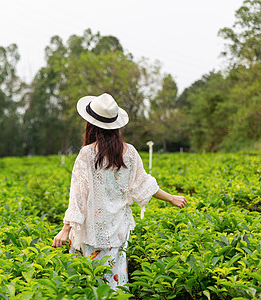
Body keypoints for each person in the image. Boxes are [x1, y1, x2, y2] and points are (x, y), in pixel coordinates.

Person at [52, 93, 187, 289]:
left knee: (91, 284)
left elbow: (79, 195)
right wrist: (170, 198)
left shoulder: (88, 154)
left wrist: (66, 229)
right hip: (118, 232)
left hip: (92, 231)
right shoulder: (130, 152)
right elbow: (143, 184)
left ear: (91, 124)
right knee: (116, 283)